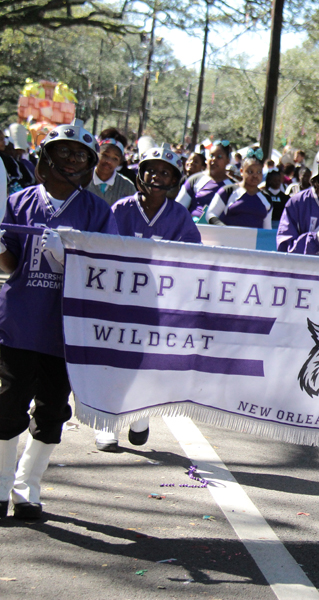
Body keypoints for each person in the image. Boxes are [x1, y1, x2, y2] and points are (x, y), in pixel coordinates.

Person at [0, 120, 117, 520]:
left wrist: (72, 257)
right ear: (46, 157)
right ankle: (0, 487)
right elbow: (10, 263)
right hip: (18, 324)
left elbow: (109, 271)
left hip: (66, 330)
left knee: (51, 412)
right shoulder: (17, 202)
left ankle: (27, 487)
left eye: (80, 154)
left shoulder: (97, 211)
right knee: (6, 407)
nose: (71, 159)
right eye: (64, 151)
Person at [96, 144, 201, 452]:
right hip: (121, 300)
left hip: (158, 305)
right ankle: (107, 424)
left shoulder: (179, 216)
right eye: (152, 170)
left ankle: (140, 413)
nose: (158, 176)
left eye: (165, 172)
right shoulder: (121, 209)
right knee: (114, 361)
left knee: (147, 363)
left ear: (174, 181)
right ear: (140, 175)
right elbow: (105, 250)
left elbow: (193, 256)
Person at [207, 151, 272, 229]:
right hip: (227, 239)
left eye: (259, 172)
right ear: (241, 171)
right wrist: (224, 229)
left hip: (253, 241)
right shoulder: (228, 191)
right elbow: (210, 214)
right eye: (250, 172)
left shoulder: (266, 198)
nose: (255, 176)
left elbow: (267, 229)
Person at [175, 140, 232, 220]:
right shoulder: (194, 180)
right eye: (211, 156)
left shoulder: (233, 186)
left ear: (227, 160)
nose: (214, 160)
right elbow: (178, 210)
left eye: (219, 157)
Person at [86, 129, 136, 206]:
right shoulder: (82, 180)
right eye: (105, 155)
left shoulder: (127, 187)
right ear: (97, 153)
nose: (109, 161)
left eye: (115, 158)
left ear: (120, 162)